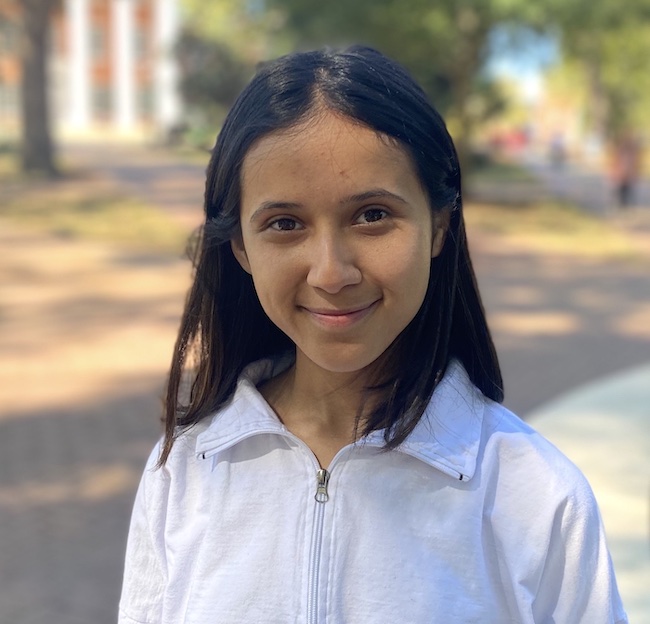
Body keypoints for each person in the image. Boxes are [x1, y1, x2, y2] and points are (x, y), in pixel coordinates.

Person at [119, 47, 627, 623]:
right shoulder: (183, 471)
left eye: (372, 215)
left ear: (440, 225)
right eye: (284, 224)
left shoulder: (537, 497)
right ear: (240, 248)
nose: (331, 273)